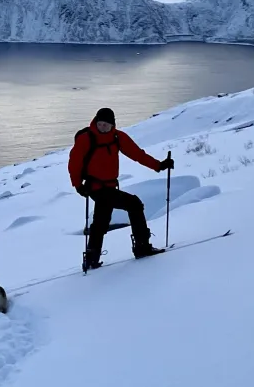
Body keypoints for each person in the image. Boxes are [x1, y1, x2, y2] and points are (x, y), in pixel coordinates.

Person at [69, 107, 175, 270]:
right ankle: (142, 247)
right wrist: (77, 185)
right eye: (101, 124)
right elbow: (74, 163)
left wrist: (159, 165)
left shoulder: (117, 137)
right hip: (96, 187)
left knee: (101, 221)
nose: (103, 127)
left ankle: (92, 258)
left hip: (110, 187)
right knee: (134, 204)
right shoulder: (86, 139)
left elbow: (137, 154)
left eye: (107, 125)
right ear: (96, 122)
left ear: (113, 125)